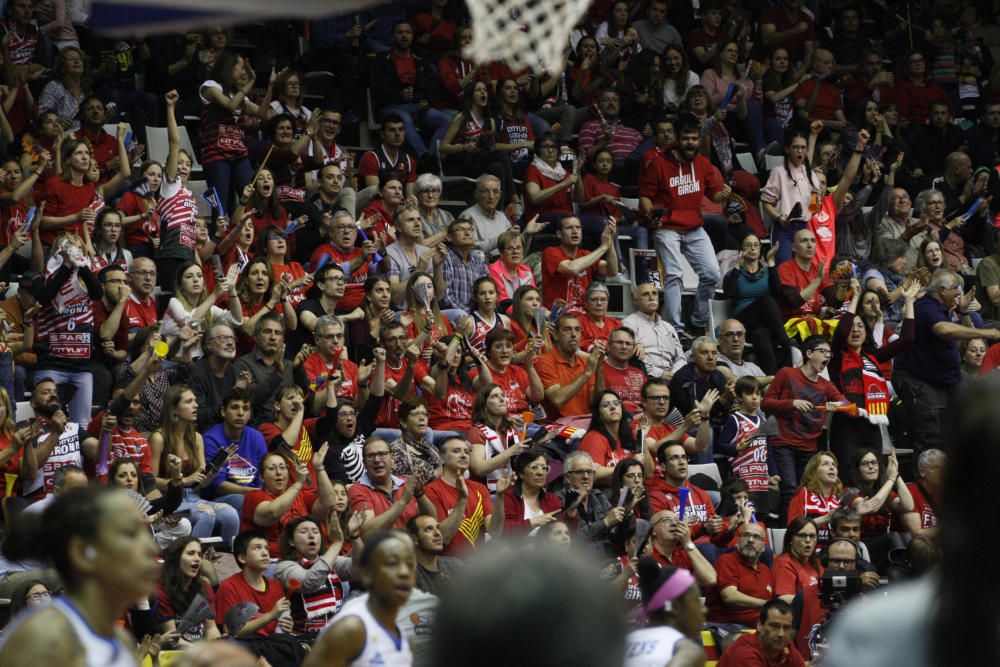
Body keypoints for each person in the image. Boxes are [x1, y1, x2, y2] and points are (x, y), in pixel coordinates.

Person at [0, 486, 160, 666]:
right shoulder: (43, 638)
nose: (152, 548)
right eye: (131, 534)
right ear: (83, 552)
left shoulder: (119, 637)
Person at [893, 269, 1000, 460]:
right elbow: (943, 329)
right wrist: (988, 333)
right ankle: (926, 484)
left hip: (946, 381)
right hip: (920, 382)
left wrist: (964, 311)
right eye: (955, 288)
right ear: (942, 291)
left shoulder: (945, 310)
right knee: (931, 439)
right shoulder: (926, 307)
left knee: (966, 429)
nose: (959, 293)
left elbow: (967, 333)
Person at [639, 114, 731, 337]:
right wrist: (651, 215)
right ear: (677, 140)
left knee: (711, 272)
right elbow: (644, 196)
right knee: (674, 274)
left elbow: (715, 196)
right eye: (686, 138)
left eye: (694, 138)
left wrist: (724, 195)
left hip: (693, 227)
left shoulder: (702, 163)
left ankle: (697, 320)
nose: (691, 142)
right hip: (667, 227)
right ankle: (674, 328)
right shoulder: (659, 163)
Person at [303, 532, 416, 667]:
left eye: (410, 564)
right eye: (392, 564)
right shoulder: (350, 628)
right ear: (367, 574)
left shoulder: (402, 625)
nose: (404, 572)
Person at [763, 334, 846, 511]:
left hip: (809, 448)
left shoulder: (826, 385)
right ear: (809, 353)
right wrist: (792, 403)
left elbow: (846, 403)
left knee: (806, 493)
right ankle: (786, 534)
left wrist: (838, 405)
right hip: (784, 443)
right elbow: (766, 403)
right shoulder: (787, 374)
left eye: (829, 353)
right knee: (790, 490)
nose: (827, 356)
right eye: (823, 351)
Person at [272, 514, 360, 636]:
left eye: (315, 531)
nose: (311, 535)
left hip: (334, 636)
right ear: (291, 541)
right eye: (304, 531)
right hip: (302, 639)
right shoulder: (284, 567)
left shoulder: (330, 560)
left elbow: (361, 569)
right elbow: (309, 582)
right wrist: (337, 543)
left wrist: (355, 535)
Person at [424, 436, 508, 557]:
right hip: (446, 562)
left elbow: (495, 532)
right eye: (456, 451)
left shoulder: (480, 488)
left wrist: (500, 496)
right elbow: (443, 537)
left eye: (467, 452)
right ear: (441, 457)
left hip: (477, 564)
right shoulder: (431, 490)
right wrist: (462, 499)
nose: (464, 455)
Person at [722, 234, 790, 373]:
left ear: (760, 250)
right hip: (743, 319)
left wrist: (771, 261)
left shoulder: (766, 272)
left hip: (763, 322)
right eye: (748, 245)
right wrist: (737, 265)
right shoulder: (734, 273)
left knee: (761, 335)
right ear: (741, 250)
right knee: (766, 301)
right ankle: (787, 345)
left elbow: (778, 293)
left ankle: (773, 379)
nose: (752, 248)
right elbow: (729, 294)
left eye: (756, 245)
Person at [623, 558, 707, 667]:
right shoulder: (687, 651)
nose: (704, 609)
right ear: (675, 606)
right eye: (696, 600)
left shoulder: (623, 643)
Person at [215, 531, 294, 640]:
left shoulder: (276, 587)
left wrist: (286, 626)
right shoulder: (229, 587)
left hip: (272, 645)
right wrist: (271, 615)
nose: (265, 553)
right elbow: (231, 632)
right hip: (244, 648)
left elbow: (279, 628)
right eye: (257, 548)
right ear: (242, 558)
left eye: (266, 548)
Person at [541, 214, 619, 310]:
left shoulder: (586, 254)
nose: (575, 231)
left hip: (584, 315)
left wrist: (610, 242)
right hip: (559, 316)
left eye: (578, 227)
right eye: (569, 228)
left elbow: (612, 271)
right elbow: (572, 268)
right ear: (559, 234)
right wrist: (603, 247)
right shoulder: (550, 252)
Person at [534, 313, 603, 418]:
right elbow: (557, 400)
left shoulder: (585, 362)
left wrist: (599, 369)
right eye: (567, 329)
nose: (574, 334)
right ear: (556, 335)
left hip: (586, 422)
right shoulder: (545, 361)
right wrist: (586, 373)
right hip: (557, 427)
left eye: (577, 330)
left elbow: (597, 401)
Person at [156, 537, 221, 645]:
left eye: (199, 555)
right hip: (176, 651)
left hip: (202, 648)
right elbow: (173, 638)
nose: (197, 559)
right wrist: (203, 653)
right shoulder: (161, 591)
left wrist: (215, 647)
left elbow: (211, 629)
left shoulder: (204, 586)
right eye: (191, 553)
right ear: (176, 558)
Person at [705, 521, 772, 626]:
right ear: (738, 541)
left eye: (756, 537)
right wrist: (765, 604)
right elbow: (729, 596)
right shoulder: (726, 561)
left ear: (764, 547)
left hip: (757, 628)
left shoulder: (766, 571)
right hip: (725, 626)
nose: (750, 540)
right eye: (746, 535)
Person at [559, 450, 626, 548]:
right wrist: (605, 522)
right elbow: (571, 538)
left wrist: (627, 512)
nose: (586, 477)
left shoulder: (599, 497)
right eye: (580, 472)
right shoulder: (559, 500)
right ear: (567, 477)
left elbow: (616, 534)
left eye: (589, 472)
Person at [622, 283, 685, 379]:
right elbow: (633, 360)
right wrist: (660, 373)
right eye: (645, 294)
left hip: (674, 377)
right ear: (635, 301)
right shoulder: (628, 324)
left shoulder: (668, 327)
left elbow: (681, 358)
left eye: (654, 293)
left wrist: (674, 373)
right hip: (647, 377)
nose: (651, 298)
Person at [718, 599, 807, 666]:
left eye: (787, 628)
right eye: (774, 626)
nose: (781, 634)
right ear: (759, 625)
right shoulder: (745, 653)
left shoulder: (787, 647)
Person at [579, 390, 641, 483]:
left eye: (616, 403)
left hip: (628, 489)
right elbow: (592, 474)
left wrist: (643, 439)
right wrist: (628, 466)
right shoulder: (593, 438)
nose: (613, 407)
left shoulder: (628, 434)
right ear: (598, 413)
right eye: (606, 405)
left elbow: (647, 473)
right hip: (605, 492)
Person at [502, 449, 563, 535]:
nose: (540, 472)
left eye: (544, 468)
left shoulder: (552, 499)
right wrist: (532, 523)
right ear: (521, 474)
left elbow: (564, 533)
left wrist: (571, 514)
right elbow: (503, 531)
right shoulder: (509, 498)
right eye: (534, 467)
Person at [408, 514, 463, 595]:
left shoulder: (454, 565)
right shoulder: (408, 575)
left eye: (438, 528)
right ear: (414, 539)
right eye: (429, 529)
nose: (437, 533)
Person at [597, 327, 648, 414]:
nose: (624, 347)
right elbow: (598, 402)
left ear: (633, 349)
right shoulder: (598, 370)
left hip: (641, 421)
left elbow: (649, 403)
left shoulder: (639, 373)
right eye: (619, 342)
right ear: (608, 346)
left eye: (628, 344)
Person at [772, 516, 822, 604]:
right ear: (791, 539)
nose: (808, 540)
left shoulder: (814, 561)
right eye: (802, 535)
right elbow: (783, 598)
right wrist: (817, 600)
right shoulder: (784, 563)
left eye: (812, 536)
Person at [900, 448, 944, 537]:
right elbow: (916, 534)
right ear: (922, 472)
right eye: (936, 468)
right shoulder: (910, 492)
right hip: (922, 548)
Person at [716, 318, 770, 383]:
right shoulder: (715, 360)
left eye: (739, 334)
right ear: (719, 339)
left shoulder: (753, 367)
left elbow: (770, 390)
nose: (736, 339)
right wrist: (772, 378)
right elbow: (733, 381)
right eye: (730, 334)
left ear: (744, 338)